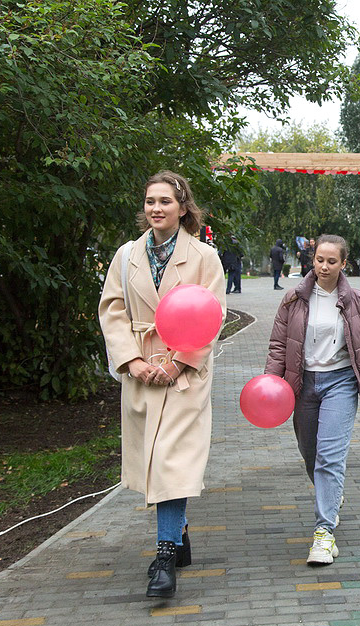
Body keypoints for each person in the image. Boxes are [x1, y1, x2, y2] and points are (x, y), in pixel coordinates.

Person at [99, 170, 225, 598]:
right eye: (150, 201)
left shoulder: (204, 257)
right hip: (141, 372)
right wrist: (131, 361)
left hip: (183, 377)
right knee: (154, 464)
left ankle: (165, 556)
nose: (156, 208)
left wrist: (177, 364)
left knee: (172, 464)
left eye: (165, 201)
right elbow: (112, 309)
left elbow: (213, 317)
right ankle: (181, 533)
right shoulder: (126, 255)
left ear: (183, 206)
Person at [265, 234, 360, 565]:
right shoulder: (293, 299)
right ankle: (332, 497)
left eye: (332, 261)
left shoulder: (359, 302)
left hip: (341, 383)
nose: (324, 266)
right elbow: (278, 345)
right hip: (302, 383)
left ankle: (323, 534)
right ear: (313, 260)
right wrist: (271, 386)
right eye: (320, 260)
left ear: (343, 264)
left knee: (329, 457)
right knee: (310, 453)